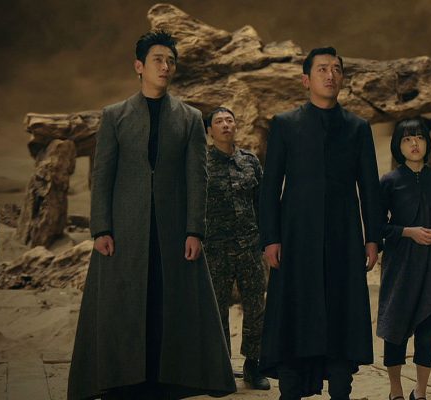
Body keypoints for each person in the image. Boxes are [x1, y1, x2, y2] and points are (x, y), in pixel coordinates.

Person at [67, 31, 236, 400]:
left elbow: (197, 179)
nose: (165, 66)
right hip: (123, 231)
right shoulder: (115, 116)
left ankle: (171, 382)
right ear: (139, 66)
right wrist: (101, 228)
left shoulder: (190, 118)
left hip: (174, 231)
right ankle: (122, 381)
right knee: (123, 305)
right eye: (158, 59)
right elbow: (102, 175)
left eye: (171, 61)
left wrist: (195, 230)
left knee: (169, 303)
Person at [259, 46, 381, 399]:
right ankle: (291, 388)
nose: (331, 75)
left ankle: (341, 388)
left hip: (344, 237)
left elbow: (369, 187)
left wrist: (372, 238)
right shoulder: (285, 124)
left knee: (342, 312)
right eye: (323, 69)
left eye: (337, 69)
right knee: (294, 311)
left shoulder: (357, 128)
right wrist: (270, 238)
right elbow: (271, 187)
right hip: (295, 237)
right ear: (306, 80)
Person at [378, 119, 431, 400]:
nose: (414, 144)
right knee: (395, 327)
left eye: (420, 138)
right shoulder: (389, 181)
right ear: (398, 146)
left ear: (428, 143)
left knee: (427, 329)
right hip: (400, 265)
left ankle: (421, 391)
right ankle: (396, 391)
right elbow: (378, 227)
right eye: (406, 139)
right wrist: (408, 232)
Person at [203, 106, 270, 390]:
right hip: (214, 249)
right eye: (219, 121)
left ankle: (253, 365)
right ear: (209, 131)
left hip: (249, 247)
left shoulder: (250, 161)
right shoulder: (201, 163)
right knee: (216, 309)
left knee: (256, 308)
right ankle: (219, 368)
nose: (225, 125)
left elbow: (262, 203)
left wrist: (267, 241)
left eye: (229, 120)